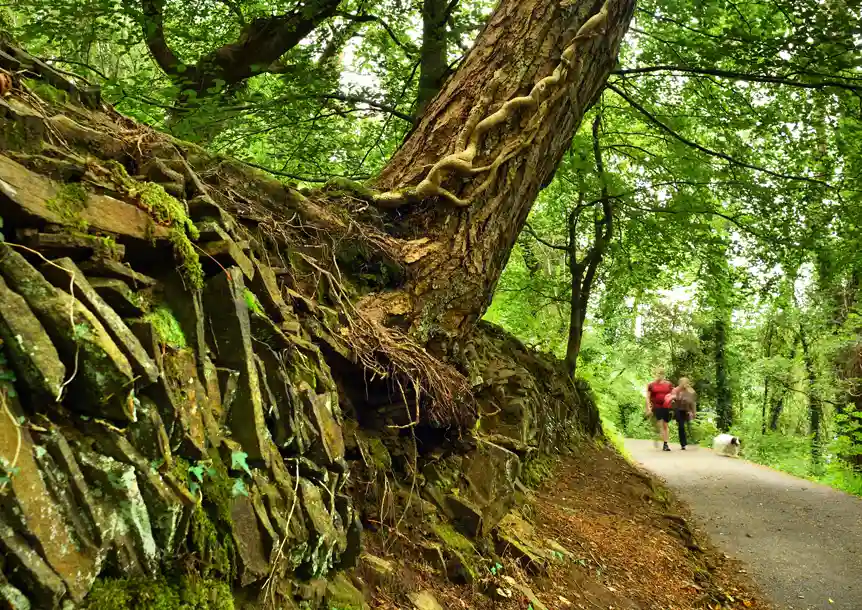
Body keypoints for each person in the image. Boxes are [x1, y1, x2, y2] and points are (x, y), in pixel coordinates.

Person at [646, 368, 674, 451]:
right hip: (656, 406)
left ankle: (665, 444)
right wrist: (648, 407)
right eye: (657, 374)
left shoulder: (668, 384)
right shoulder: (651, 385)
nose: (659, 376)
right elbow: (647, 397)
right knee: (659, 424)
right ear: (655, 375)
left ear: (663, 375)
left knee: (665, 425)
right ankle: (657, 434)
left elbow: (673, 394)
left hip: (666, 406)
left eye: (660, 374)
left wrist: (672, 401)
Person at [671, 377, 697, 450]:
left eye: (686, 382)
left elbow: (693, 401)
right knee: (681, 426)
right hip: (678, 410)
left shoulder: (690, 391)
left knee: (689, 425)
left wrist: (694, 412)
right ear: (680, 383)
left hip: (686, 410)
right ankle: (683, 444)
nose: (685, 384)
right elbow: (672, 399)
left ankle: (692, 440)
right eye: (684, 382)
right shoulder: (675, 390)